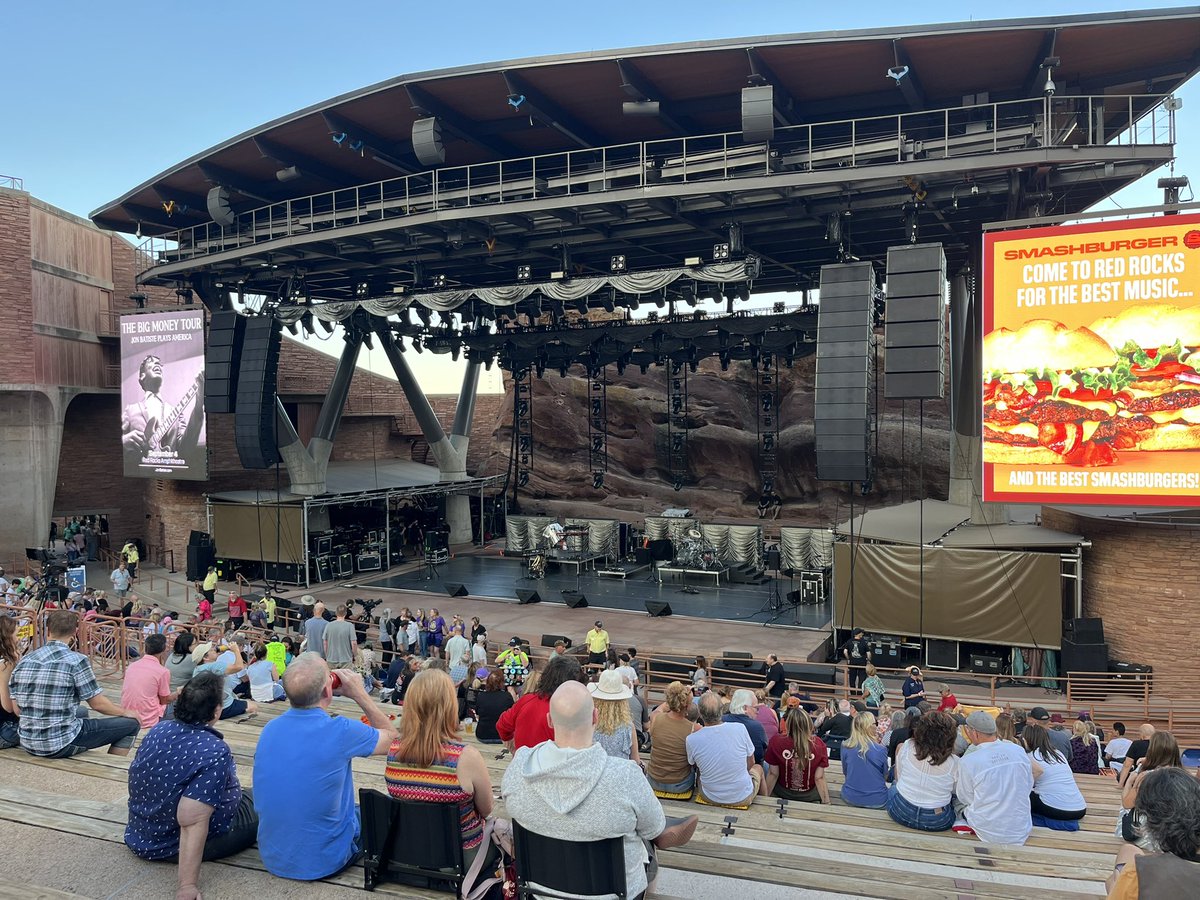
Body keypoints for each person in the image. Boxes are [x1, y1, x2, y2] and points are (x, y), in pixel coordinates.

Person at [502, 681, 698, 899]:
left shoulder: (520, 766)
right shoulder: (625, 775)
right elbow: (655, 828)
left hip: (541, 893)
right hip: (617, 894)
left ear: (550, 720)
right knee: (648, 837)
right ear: (595, 717)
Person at [254, 653, 398, 880]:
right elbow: (393, 741)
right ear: (328, 690)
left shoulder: (270, 729)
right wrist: (359, 693)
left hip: (273, 858)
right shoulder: (340, 730)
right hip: (326, 861)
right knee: (381, 812)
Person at [124, 672, 257, 900]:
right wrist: (187, 886)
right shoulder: (214, 751)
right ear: (216, 712)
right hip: (174, 843)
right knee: (268, 798)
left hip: (141, 833)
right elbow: (193, 820)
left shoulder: (158, 730)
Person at [384, 670, 496, 869]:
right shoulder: (466, 757)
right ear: (449, 706)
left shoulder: (394, 750)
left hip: (408, 851)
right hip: (462, 857)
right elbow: (487, 809)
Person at [9, 610, 140, 757]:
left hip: (27, 741)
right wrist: (126, 712)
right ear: (75, 632)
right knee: (131, 724)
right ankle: (113, 765)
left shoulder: (25, 660)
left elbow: (18, 710)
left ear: (48, 630)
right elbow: (98, 704)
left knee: (82, 712)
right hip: (59, 744)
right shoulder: (77, 660)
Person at [1106, 767, 1200, 898]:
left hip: (1140, 881)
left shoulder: (1138, 874)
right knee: (1128, 850)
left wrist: (1117, 882)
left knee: (1113, 879)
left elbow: (1127, 803)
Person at [953, 710, 1034, 843]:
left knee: (955, 800)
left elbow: (965, 797)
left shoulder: (968, 761)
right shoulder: (1018, 751)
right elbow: (1028, 784)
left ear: (974, 732)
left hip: (988, 830)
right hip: (1020, 828)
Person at [687, 692, 765, 805]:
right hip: (742, 797)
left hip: (709, 796)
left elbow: (692, 764)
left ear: (700, 713)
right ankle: (766, 802)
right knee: (758, 767)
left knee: (700, 767)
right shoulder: (740, 729)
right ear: (721, 710)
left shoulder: (691, 739)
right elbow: (751, 761)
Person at [887, 711, 959, 832]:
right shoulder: (955, 762)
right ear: (950, 736)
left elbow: (898, 776)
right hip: (937, 820)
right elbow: (956, 791)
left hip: (900, 811)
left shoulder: (907, 746)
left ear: (920, 730)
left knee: (894, 786)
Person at [497, 655, 582, 751]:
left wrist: (513, 747)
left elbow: (502, 725)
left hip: (524, 763)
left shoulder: (526, 700)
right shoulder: (570, 712)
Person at [1119, 731, 1184, 843]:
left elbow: (1126, 804)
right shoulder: (1183, 775)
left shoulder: (1147, 777)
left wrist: (1130, 783)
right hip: (1177, 834)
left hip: (1150, 836)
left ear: (1152, 750)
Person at [1021, 722, 1087, 824]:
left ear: (1026, 740)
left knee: (1020, 793)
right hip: (1080, 808)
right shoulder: (1057, 753)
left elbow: (1031, 778)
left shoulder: (1031, 756)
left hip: (1058, 809)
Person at [764, 707, 830, 803]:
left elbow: (773, 773)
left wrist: (765, 799)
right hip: (809, 794)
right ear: (808, 724)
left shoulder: (776, 741)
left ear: (788, 724)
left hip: (783, 792)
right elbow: (818, 778)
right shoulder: (819, 744)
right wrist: (826, 802)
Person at [647, 681, 700, 793]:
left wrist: (675, 696)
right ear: (688, 705)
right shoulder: (694, 729)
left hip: (653, 781)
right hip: (680, 784)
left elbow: (657, 710)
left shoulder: (656, 718)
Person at [121, 633, 177, 730]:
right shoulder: (163, 671)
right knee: (181, 702)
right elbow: (165, 700)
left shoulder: (131, 666)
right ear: (163, 649)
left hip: (127, 714)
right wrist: (178, 693)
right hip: (149, 719)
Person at [191, 642, 255, 721]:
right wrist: (236, 651)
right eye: (211, 650)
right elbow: (239, 667)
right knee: (253, 707)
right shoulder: (215, 666)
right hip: (223, 706)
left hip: (207, 706)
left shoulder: (197, 669)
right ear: (205, 657)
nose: (215, 650)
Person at [589, 669, 640, 763]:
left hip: (595, 775)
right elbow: (635, 761)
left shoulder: (589, 723)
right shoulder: (628, 726)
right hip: (621, 774)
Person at [840, 711, 888, 808]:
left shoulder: (845, 745)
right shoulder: (881, 749)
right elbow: (884, 776)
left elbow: (846, 772)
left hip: (850, 796)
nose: (877, 726)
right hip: (877, 799)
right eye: (876, 724)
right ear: (869, 727)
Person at [723, 688, 767, 766]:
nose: (758, 712)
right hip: (748, 770)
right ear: (745, 708)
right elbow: (759, 755)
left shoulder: (721, 721)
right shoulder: (755, 727)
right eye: (756, 708)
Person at [473, 669, 514, 744]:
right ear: (502, 683)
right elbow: (513, 716)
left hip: (482, 735)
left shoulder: (481, 696)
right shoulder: (507, 696)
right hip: (502, 736)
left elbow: (478, 715)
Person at [0, 617, 23, 748]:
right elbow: (8, 706)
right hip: (4, 730)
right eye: (16, 634)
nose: (18, 639)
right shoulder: (5, 664)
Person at [323, 605, 359, 669]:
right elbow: (354, 643)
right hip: (346, 659)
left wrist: (327, 655)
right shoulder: (350, 626)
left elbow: (325, 643)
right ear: (345, 613)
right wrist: (355, 655)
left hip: (331, 658)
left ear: (336, 613)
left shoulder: (328, 625)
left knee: (332, 678)